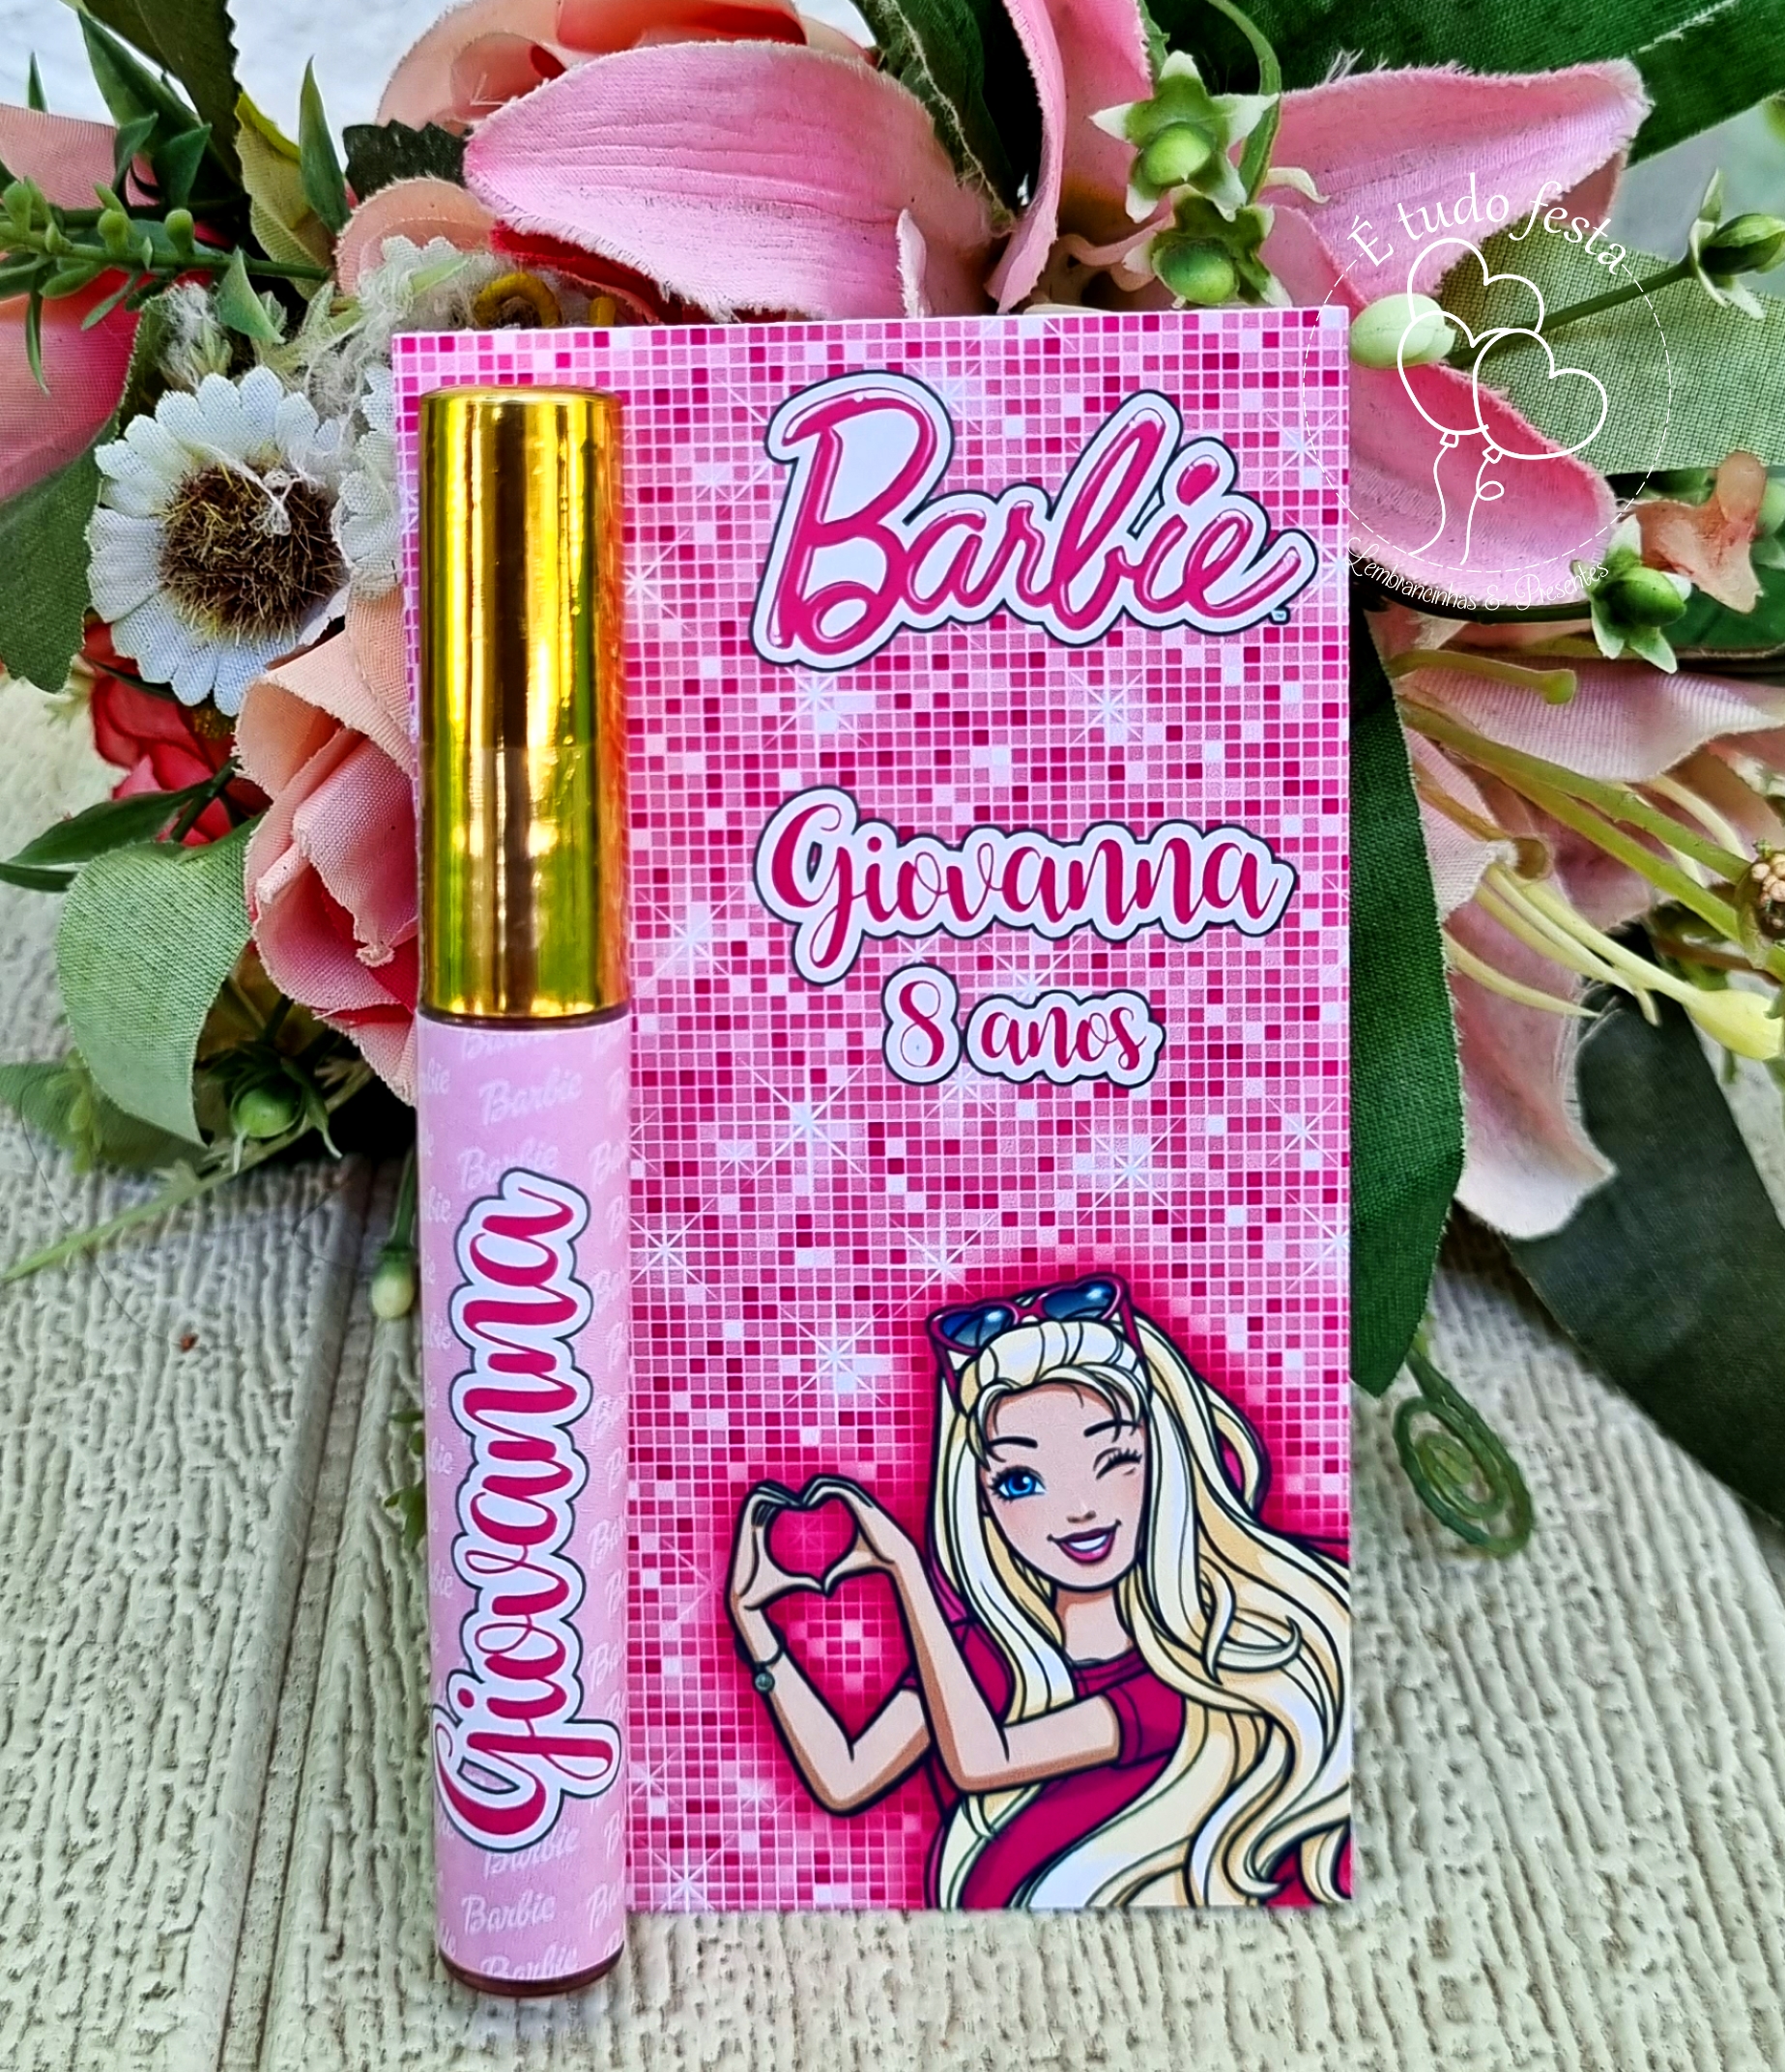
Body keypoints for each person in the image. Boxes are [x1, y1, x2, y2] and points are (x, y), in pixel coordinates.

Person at [728, 1274, 1350, 1907]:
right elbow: (845, 1778)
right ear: (980, 1501)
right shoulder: (984, 1657)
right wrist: (754, 1626)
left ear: (1165, 1460)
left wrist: (906, 1573)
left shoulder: (1189, 1665)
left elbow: (983, 1761)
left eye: (1114, 1461)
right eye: (1022, 1482)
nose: (1079, 1509)